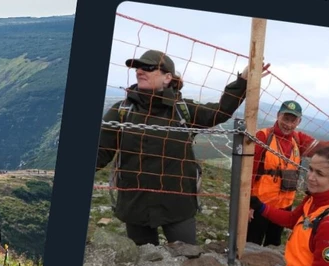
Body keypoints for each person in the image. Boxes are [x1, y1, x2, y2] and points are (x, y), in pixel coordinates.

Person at [98, 50, 264, 246]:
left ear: (168, 77)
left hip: (178, 206)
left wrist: (243, 81)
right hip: (135, 204)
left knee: (187, 258)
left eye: (148, 67)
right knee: (142, 263)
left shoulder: (183, 110)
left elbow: (219, 112)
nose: (140, 71)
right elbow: (101, 153)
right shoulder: (121, 112)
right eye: (138, 67)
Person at [248, 100, 329, 246]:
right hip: (260, 204)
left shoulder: (298, 139)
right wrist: (248, 203)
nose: (288, 124)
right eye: (285, 118)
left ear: (298, 121)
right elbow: (250, 171)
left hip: (284, 206)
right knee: (252, 244)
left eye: (293, 120)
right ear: (278, 116)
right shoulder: (263, 136)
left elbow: (322, 147)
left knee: (273, 244)